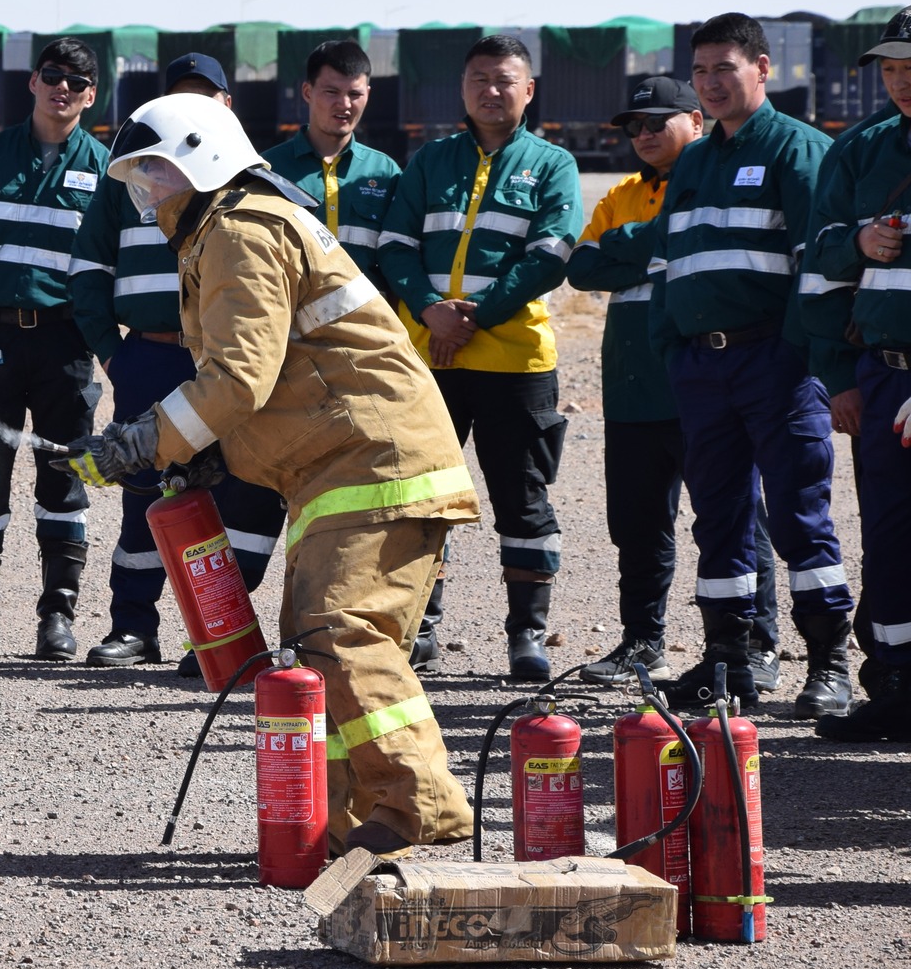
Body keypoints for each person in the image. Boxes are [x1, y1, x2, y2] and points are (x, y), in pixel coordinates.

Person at [67, 93, 479, 854]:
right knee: (319, 639)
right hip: (343, 461)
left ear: (205, 159)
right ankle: (356, 823)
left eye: (157, 172)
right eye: (140, 179)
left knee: (341, 629)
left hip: (372, 460)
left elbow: (238, 379)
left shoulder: (240, 230)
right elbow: (284, 381)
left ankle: (419, 810)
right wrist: (214, 454)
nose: (149, 192)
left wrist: (147, 441)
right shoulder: (227, 232)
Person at [650, 12, 853, 716]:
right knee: (718, 515)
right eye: (700, 72)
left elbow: (818, 266)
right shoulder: (696, 158)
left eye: (724, 69)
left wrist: (801, 357)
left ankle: (829, 663)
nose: (709, 83)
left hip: (775, 360)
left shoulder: (797, 150)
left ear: (763, 69)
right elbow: (666, 260)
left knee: (798, 514)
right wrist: (670, 343)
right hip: (703, 369)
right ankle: (728, 661)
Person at [70, 52, 286, 673]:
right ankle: (133, 626)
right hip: (150, 357)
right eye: (181, 99)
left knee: (242, 492)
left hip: (228, 362)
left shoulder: (244, 182)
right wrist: (115, 355)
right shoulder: (138, 177)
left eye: (206, 98)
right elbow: (88, 269)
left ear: (226, 107)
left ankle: (219, 636)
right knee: (143, 488)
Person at [376, 33, 582, 681]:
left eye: (504, 80)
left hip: (514, 363)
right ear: (462, 88)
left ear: (528, 89)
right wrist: (428, 308)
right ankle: (421, 627)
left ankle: (527, 635)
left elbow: (550, 254)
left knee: (522, 500)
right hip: (428, 360)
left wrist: (475, 317)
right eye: (479, 79)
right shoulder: (431, 160)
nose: (491, 91)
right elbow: (394, 245)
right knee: (420, 496)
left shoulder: (552, 164)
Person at [568, 77, 783, 687]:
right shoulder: (621, 194)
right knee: (636, 525)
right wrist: (656, 242)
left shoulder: (713, 180)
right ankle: (643, 642)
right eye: (634, 127)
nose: (643, 135)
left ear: (695, 118)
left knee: (735, 517)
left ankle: (756, 645)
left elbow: (662, 242)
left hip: (699, 385)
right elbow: (582, 268)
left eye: (656, 122)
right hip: (633, 389)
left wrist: (628, 246)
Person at [0, 36, 109, 660]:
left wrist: (98, 344)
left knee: (63, 482)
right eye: (53, 76)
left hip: (65, 346)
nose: (63, 88)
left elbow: (108, 270)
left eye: (78, 82)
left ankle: (56, 620)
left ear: (91, 96)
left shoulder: (105, 168)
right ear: (34, 82)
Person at [803, 4, 911, 740]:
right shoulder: (864, 149)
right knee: (891, 532)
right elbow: (819, 263)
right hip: (883, 377)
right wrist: (838, 375)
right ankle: (896, 688)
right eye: (892, 68)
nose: (901, 80)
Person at [261, 38, 400, 281]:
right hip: (294, 315)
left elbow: (399, 251)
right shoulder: (269, 169)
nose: (345, 104)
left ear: (367, 94)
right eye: (331, 92)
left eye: (355, 94)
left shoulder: (385, 172)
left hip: (365, 316)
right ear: (307, 92)